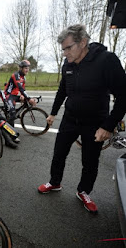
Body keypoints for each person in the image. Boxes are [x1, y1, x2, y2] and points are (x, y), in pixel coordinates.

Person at [37, 24, 126, 214]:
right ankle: (55, 182)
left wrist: (108, 126)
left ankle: (84, 191)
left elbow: (123, 95)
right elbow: (62, 91)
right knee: (59, 153)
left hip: (95, 123)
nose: (64, 53)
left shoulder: (106, 60)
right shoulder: (67, 65)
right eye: (63, 49)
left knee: (90, 160)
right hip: (70, 119)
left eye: (68, 48)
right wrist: (53, 113)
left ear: (83, 42)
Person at [4, 59, 36, 126]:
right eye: (25, 68)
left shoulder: (23, 77)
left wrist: (22, 95)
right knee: (12, 114)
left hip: (14, 95)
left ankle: (16, 113)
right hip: (8, 95)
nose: (27, 70)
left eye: (28, 68)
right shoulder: (15, 75)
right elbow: (20, 87)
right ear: (21, 68)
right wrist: (29, 98)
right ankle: (10, 133)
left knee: (25, 101)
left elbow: (23, 88)